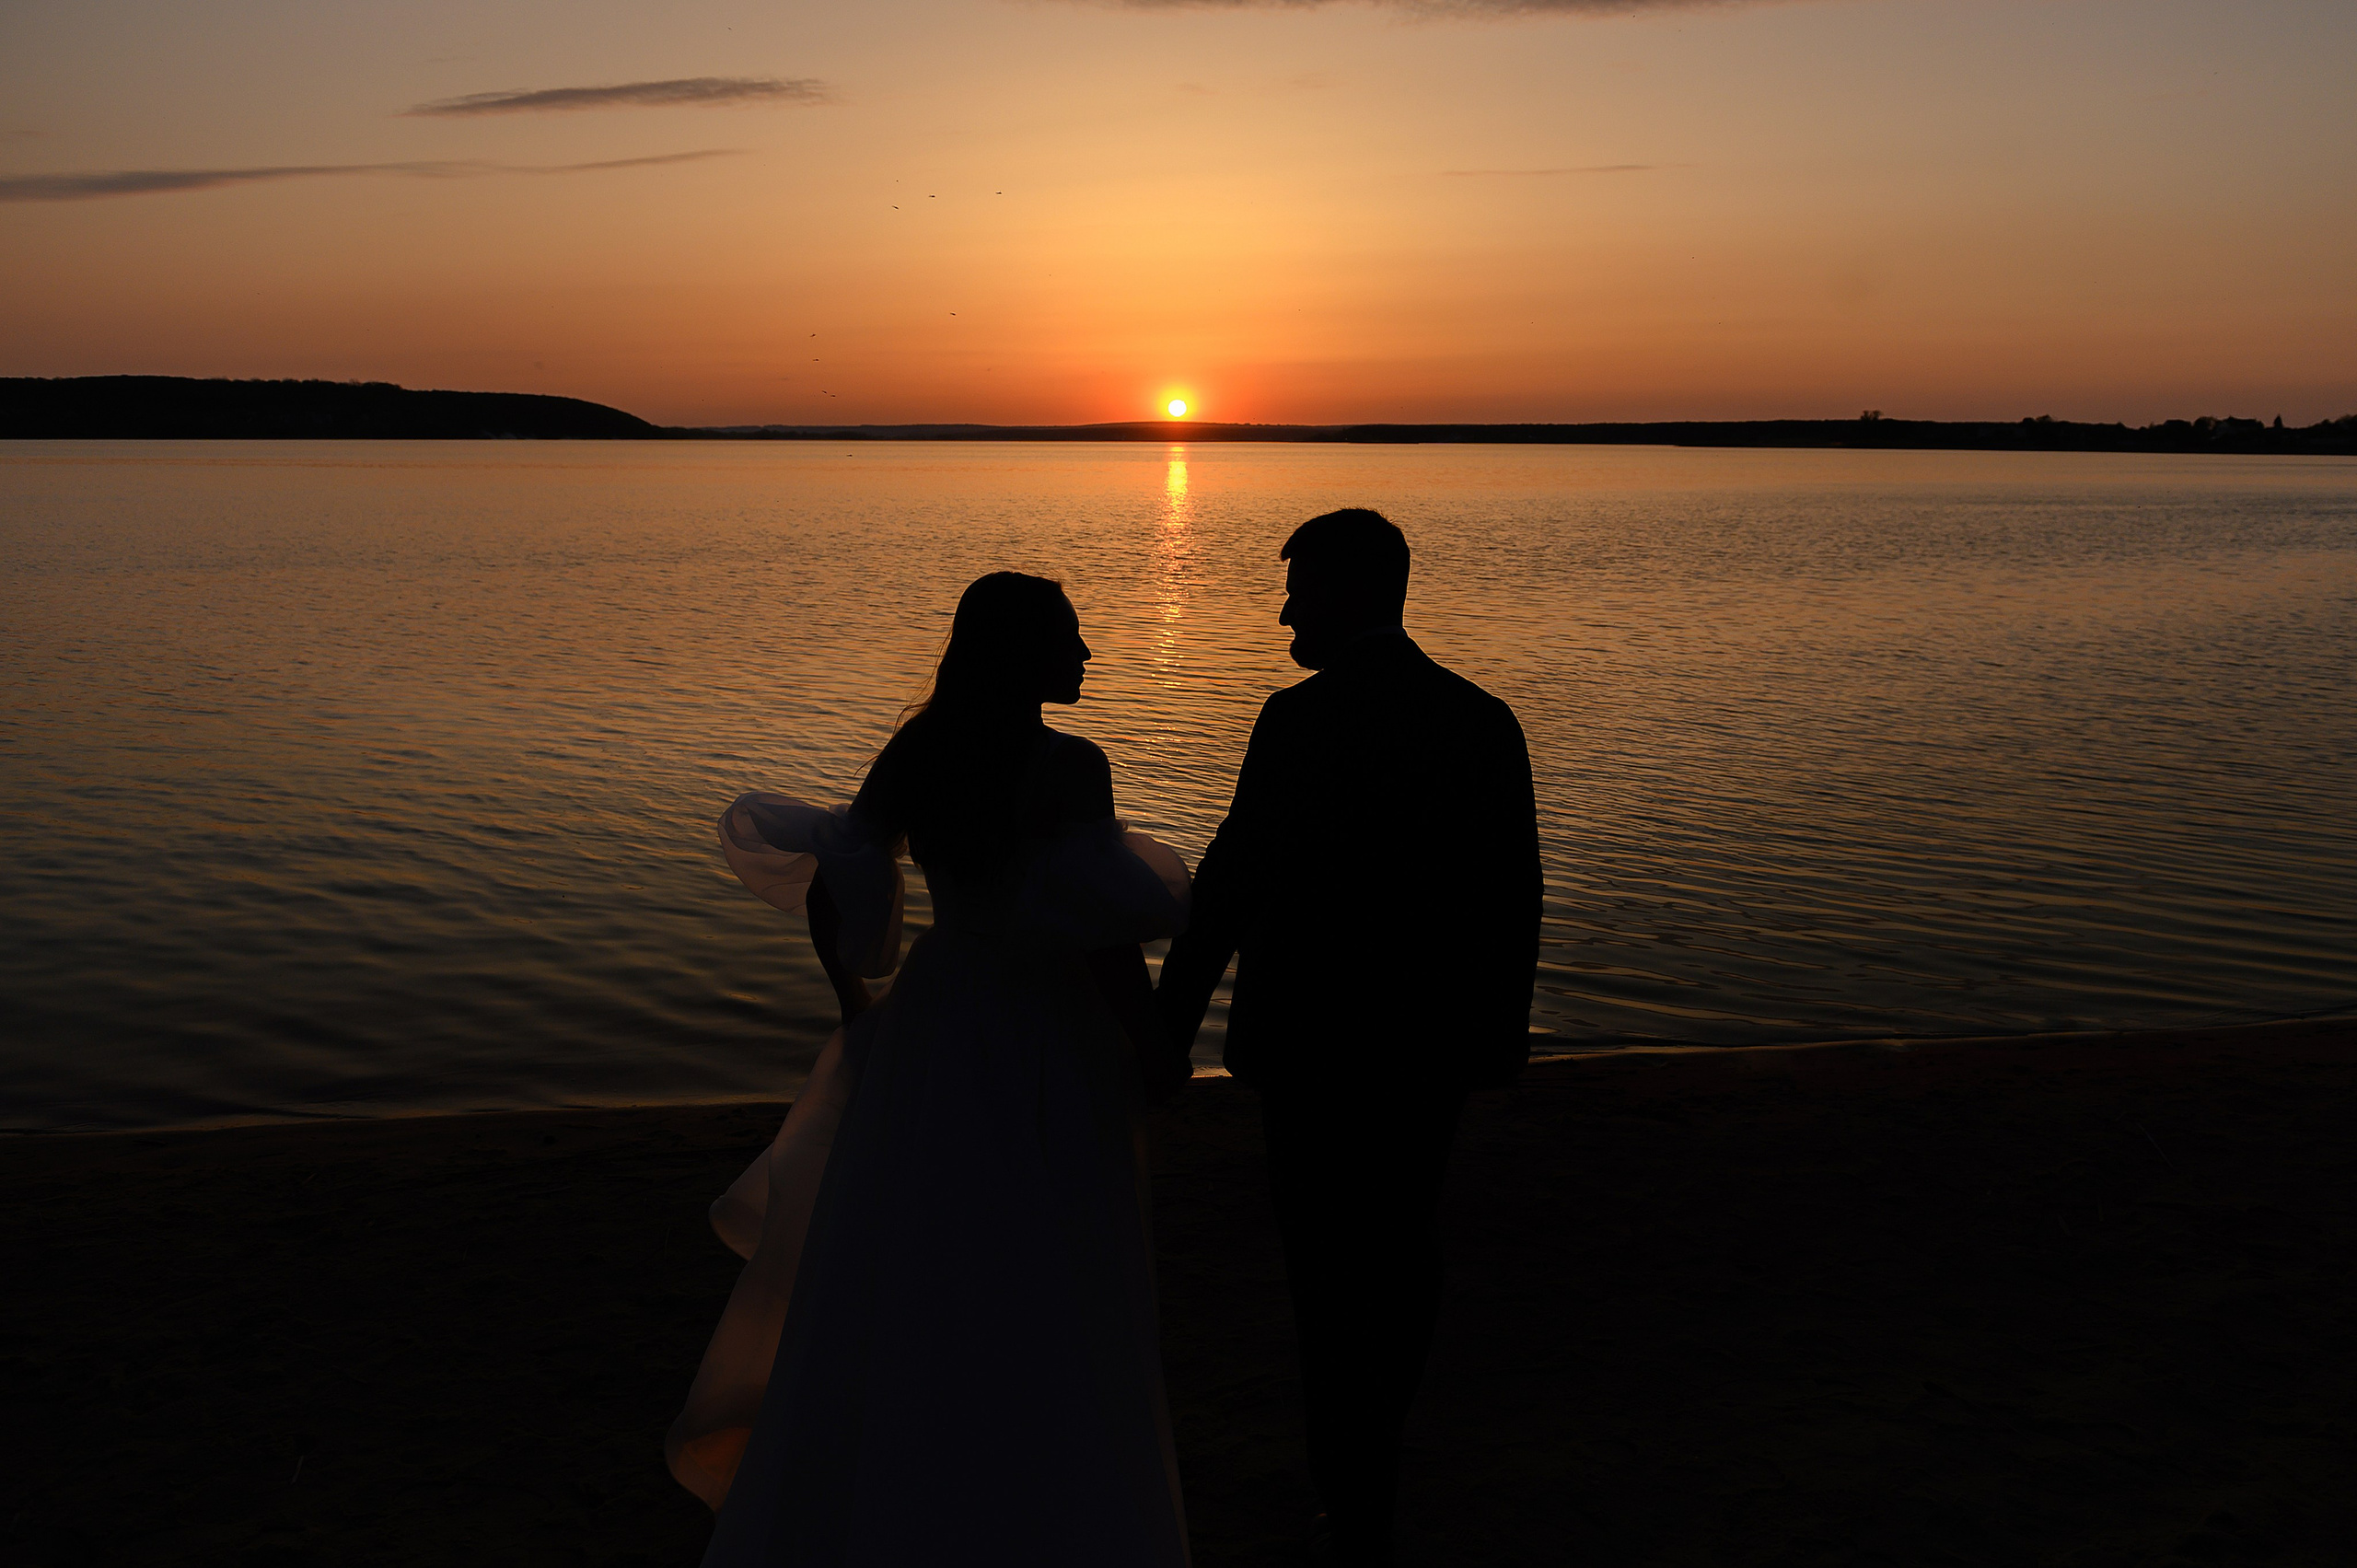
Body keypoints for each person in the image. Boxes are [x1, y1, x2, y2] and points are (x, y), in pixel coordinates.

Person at [670, 572, 1194, 1567]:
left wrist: (855, 1004)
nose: (1085, 655)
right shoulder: (1072, 767)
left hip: (939, 1013)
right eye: (1070, 637)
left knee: (915, 1252)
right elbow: (1098, 936)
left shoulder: (918, 749)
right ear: (1023, 652)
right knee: (1046, 1260)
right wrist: (1156, 1043)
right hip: (1040, 1024)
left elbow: (841, 875)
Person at [1155, 509, 1541, 1566]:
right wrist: (1499, 1031)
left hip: (1313, 1043)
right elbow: (1514, 895)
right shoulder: (1481, 718)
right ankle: (1372, 1452)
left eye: (1296, 592)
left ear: (1344, 592)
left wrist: (1169, 1025)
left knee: (1324, 1265)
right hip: (1427, 1043)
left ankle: (1350, 1479)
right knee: (1401, 1240)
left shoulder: (1297, 719)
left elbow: (1231, 879)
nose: (1282, 613)